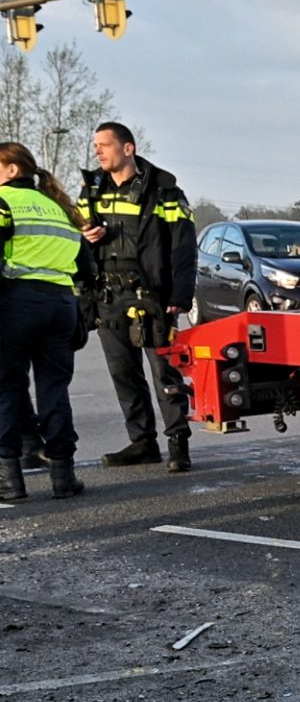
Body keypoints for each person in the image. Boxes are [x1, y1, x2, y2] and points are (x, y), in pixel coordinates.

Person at [79, 121, 197, 473]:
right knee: (124, 374)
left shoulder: (165, 190)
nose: (97, 151)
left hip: (152, 295)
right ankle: (142, 442)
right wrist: (86, 237)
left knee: (165, 374)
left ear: (127, 148)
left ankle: (178, 443)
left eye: (104, 145)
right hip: (108, 294)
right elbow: (77, 235)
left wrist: (180, 294)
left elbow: (184, 247)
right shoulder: (91, 189)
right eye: (95, 146)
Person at [0, 142, 88, 499]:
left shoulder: (3, 202)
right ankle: (63, 477)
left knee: (6, 389)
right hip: (61, 305)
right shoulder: (59, 206)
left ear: (12, 169)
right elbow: (87, 267)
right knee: (55, 390)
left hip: (17, 302)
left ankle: (9, 481)